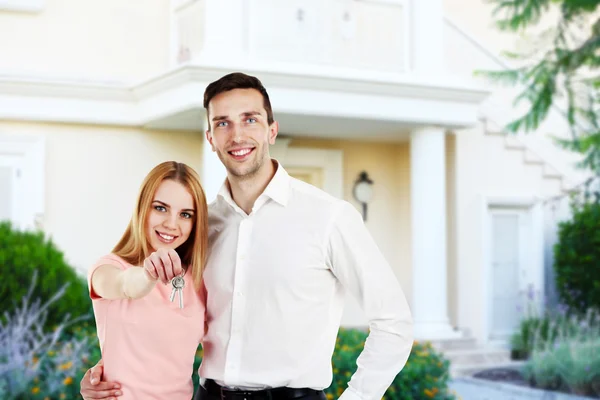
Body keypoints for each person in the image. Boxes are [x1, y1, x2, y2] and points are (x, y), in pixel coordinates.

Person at [80, 73, 413, 400]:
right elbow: (155, 320)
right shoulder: (200, 227)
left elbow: (393, 323)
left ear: (271, 130)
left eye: (249, 119)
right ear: (210, 137)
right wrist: (112, 368)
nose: (237, 135)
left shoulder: (328, 217)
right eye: (223, 123)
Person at [85, 161, 208, 400]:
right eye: (160, 208)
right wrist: (148, 273)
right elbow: (125, 284)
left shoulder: (198, 281)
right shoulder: (108, 268)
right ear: (143, 208)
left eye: (185, 215)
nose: (171, 224)